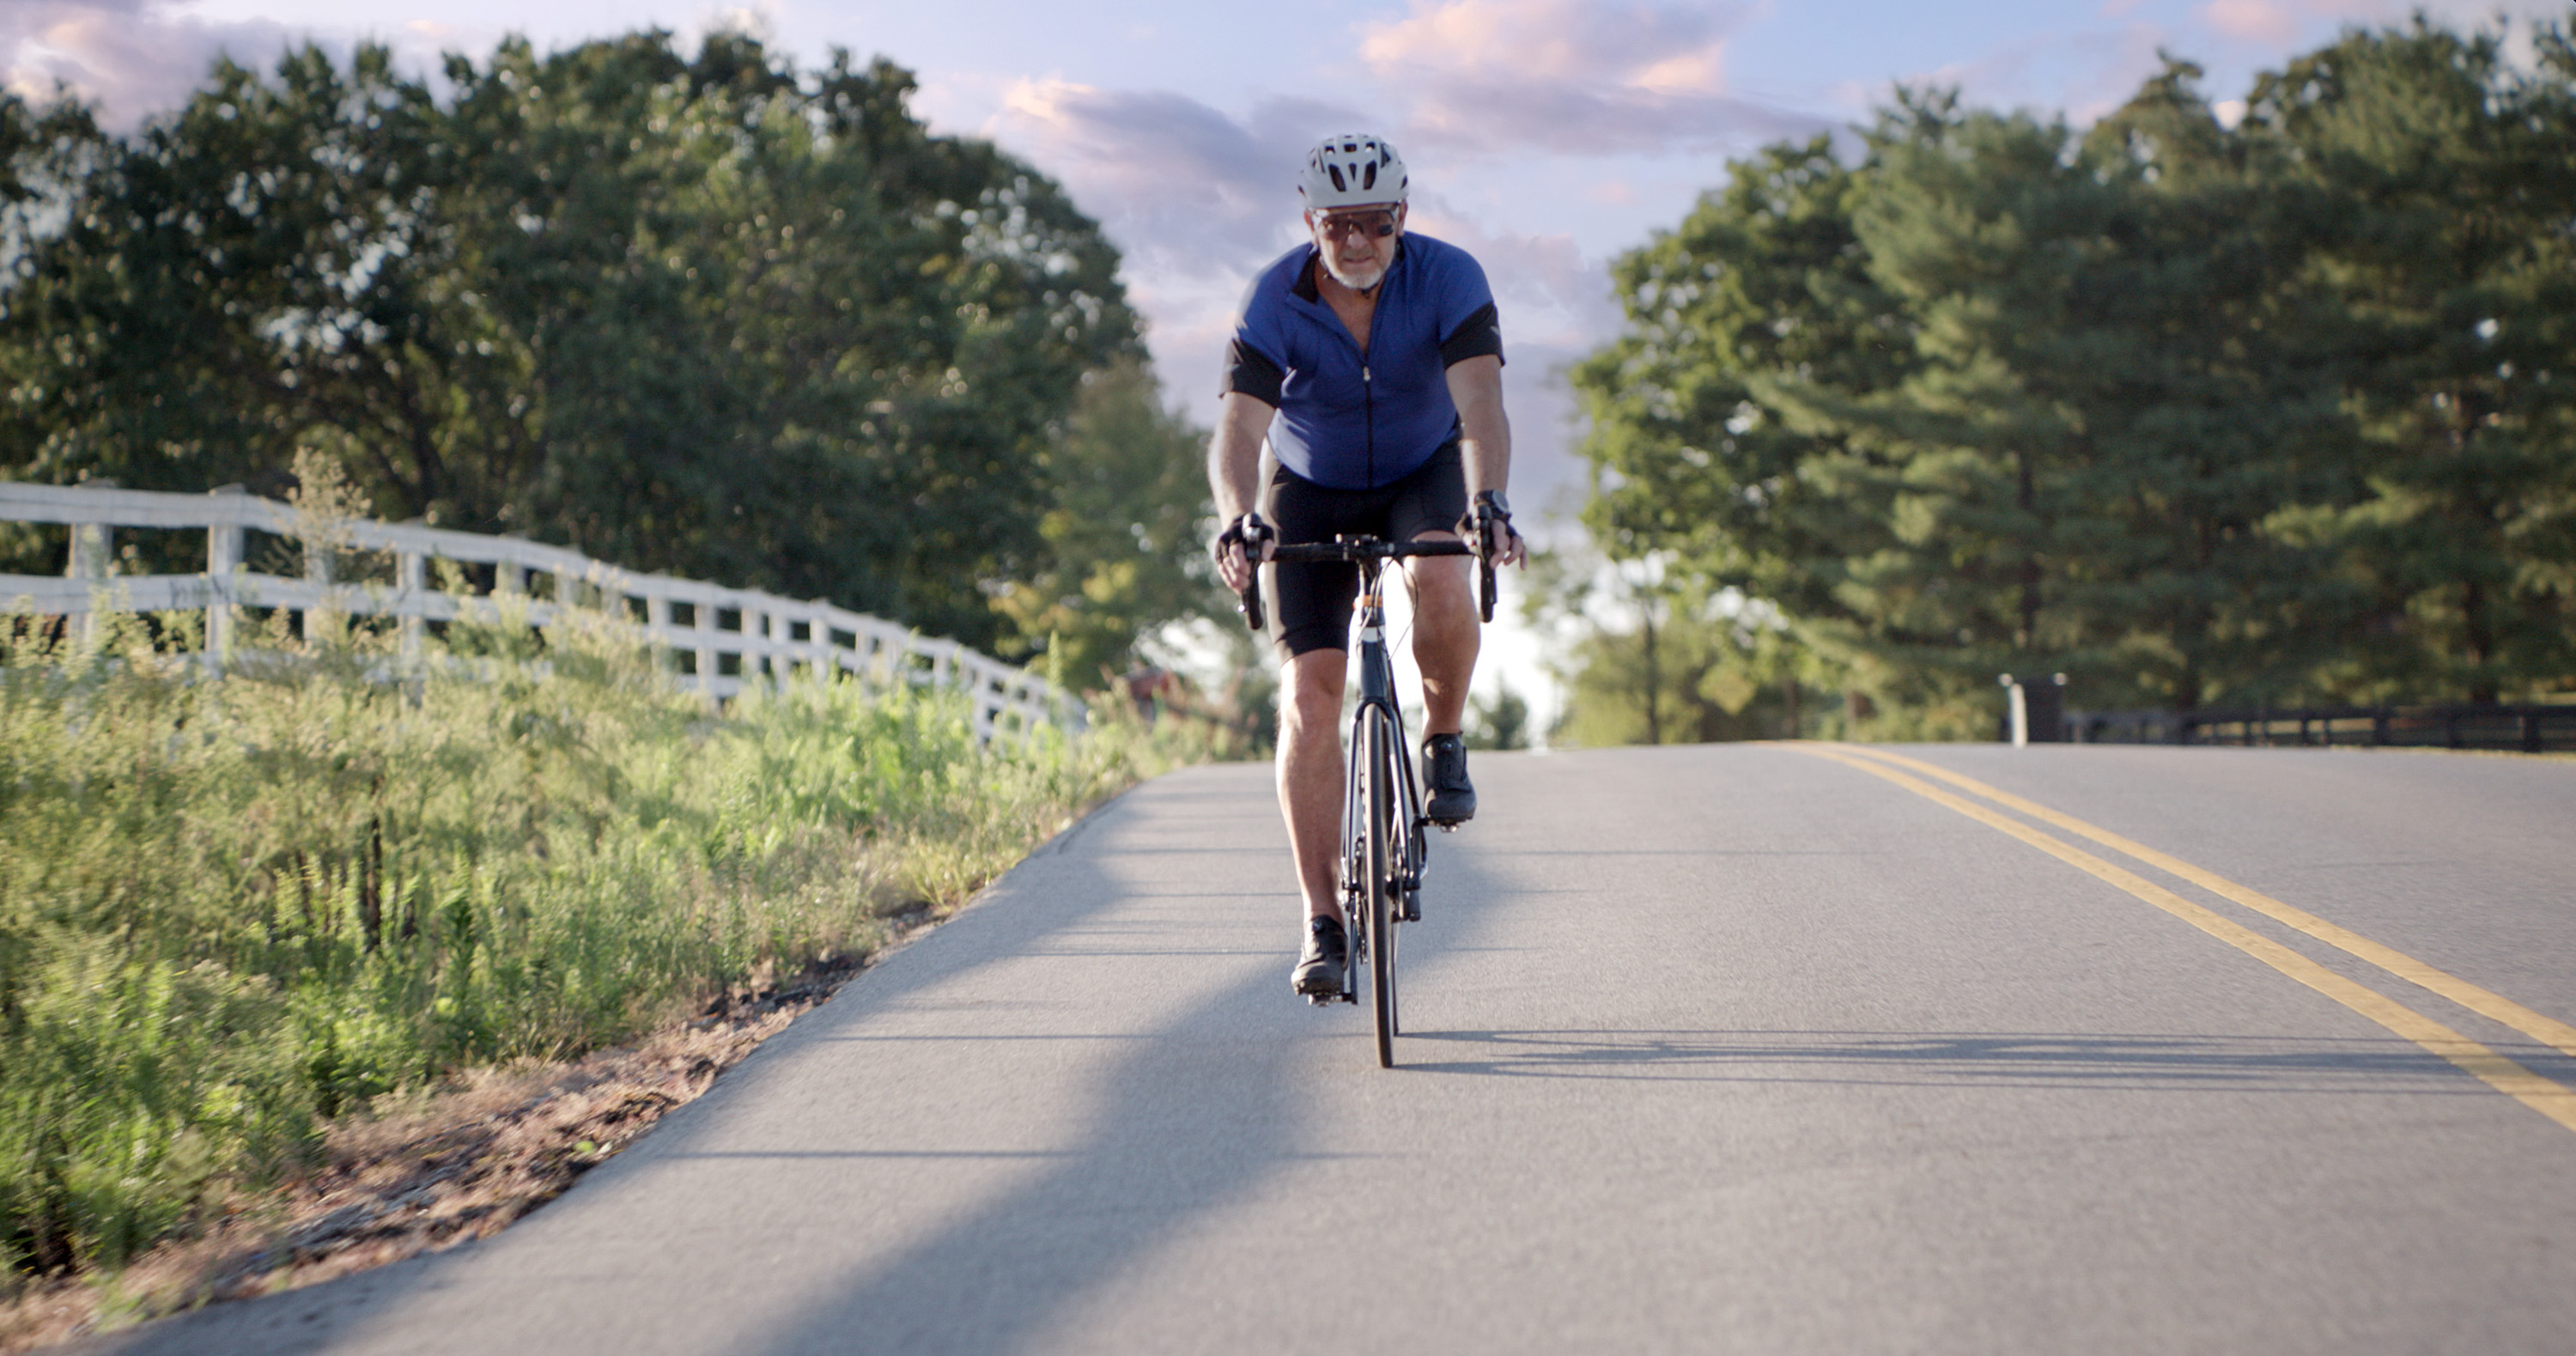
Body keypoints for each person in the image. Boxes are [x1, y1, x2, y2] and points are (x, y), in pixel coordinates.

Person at [1207, 133, 1526, 1000]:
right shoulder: (1273, 298)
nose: (1357, 242)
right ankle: (1321, 920)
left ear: (1402, 218)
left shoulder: (1450, 278)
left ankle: (1444, 735)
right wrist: (1238, 516)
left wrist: (1487, 499)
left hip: (1423, 471)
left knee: (1442, 570)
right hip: (1309, 484)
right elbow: (1237, 432)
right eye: (1338, 224)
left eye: (1375, 223)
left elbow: (1482, 406)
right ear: (1311, 222)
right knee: (1309, 700)